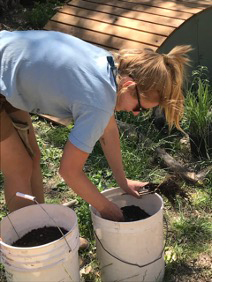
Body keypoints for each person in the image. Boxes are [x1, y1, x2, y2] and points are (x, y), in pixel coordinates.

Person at [0, 30, 191, 221]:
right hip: (4, 69)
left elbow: (108, 130)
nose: (135, 113)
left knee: (32, 156)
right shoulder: (98, 102)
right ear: (129, 85)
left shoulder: (110, 67)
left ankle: (41, 224)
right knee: (19, 167)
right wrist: (107, 209)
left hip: (7, 67)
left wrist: (123, 182)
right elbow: (69, 171)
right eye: (139, 107)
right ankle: (27, 244)